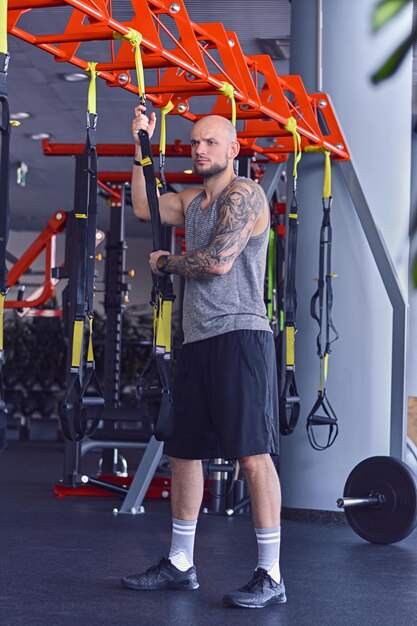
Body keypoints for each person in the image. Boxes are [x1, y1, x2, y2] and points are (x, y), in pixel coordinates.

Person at [121, 104, 285, 609]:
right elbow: (147, 207)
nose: (199, 149)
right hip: (197, 339)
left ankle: (270, 574)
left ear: (234, 150)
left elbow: (216, 263)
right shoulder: (193, 202)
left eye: (211, 142)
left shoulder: (245, 195)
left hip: (241, 337)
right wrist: (140, 143)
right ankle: (181, 562)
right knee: (184, 450)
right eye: (195, 142)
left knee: (252, 456)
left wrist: (166, 262)